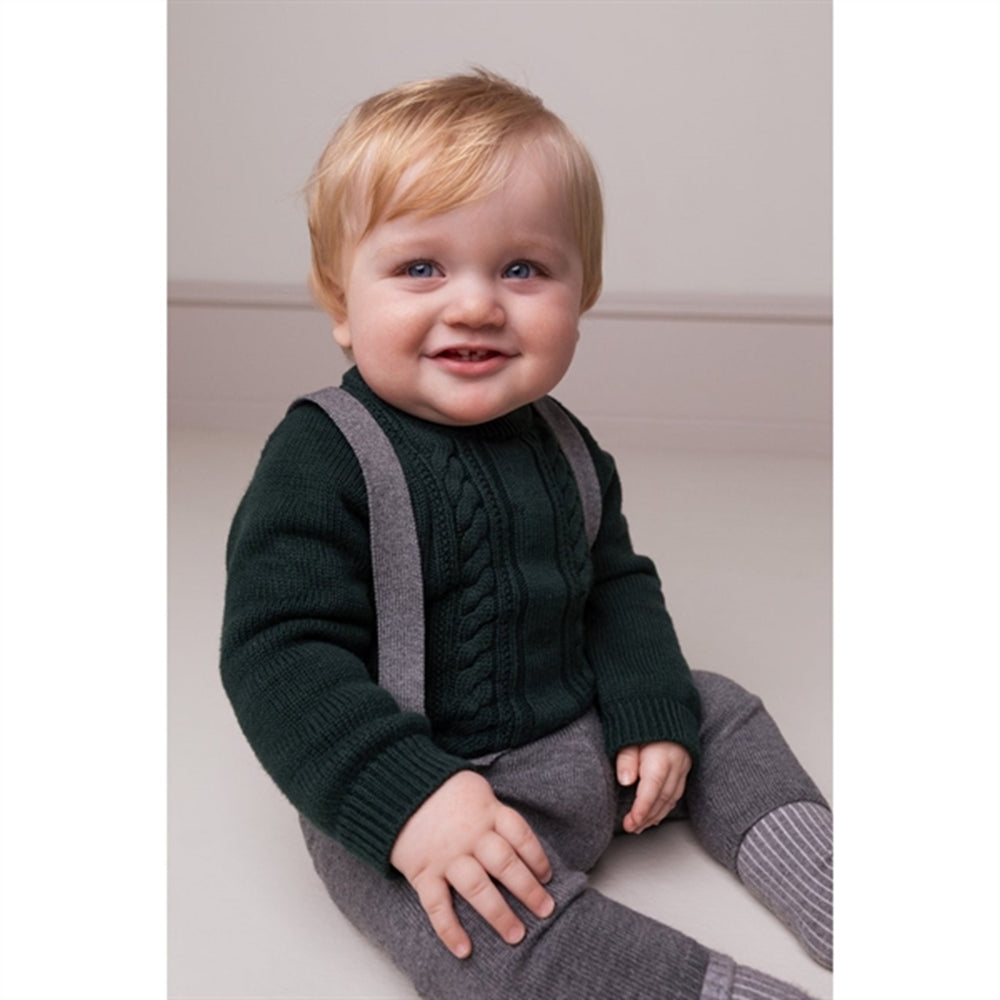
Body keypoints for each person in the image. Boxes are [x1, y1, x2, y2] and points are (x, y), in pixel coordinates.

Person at [220, 70, 832, 1000]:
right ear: (341, 301)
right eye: (421, 269)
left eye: (522, 270)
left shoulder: (565, 444)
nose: (475, 305)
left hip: (582, 740)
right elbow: (278, 652)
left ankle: (829, 883)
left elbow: (613, 583)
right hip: (429, 791)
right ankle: (699, 989)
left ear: (582, 294)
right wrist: (411, 798)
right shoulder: (324, 455)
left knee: (716, 707)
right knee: (483, 937)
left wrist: (648, 706)